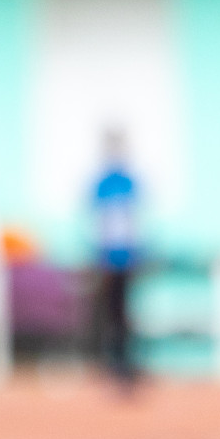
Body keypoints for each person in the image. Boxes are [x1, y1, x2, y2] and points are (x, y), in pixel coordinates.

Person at [91, 129, 140, 389]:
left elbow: (133, 221)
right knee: (109, 314)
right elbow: (99, 223)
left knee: (125, 313)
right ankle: (112, 364)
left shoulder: (127, 181)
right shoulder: (103, 182)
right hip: (108, 259)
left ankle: (125, 364)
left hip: (126, 259)